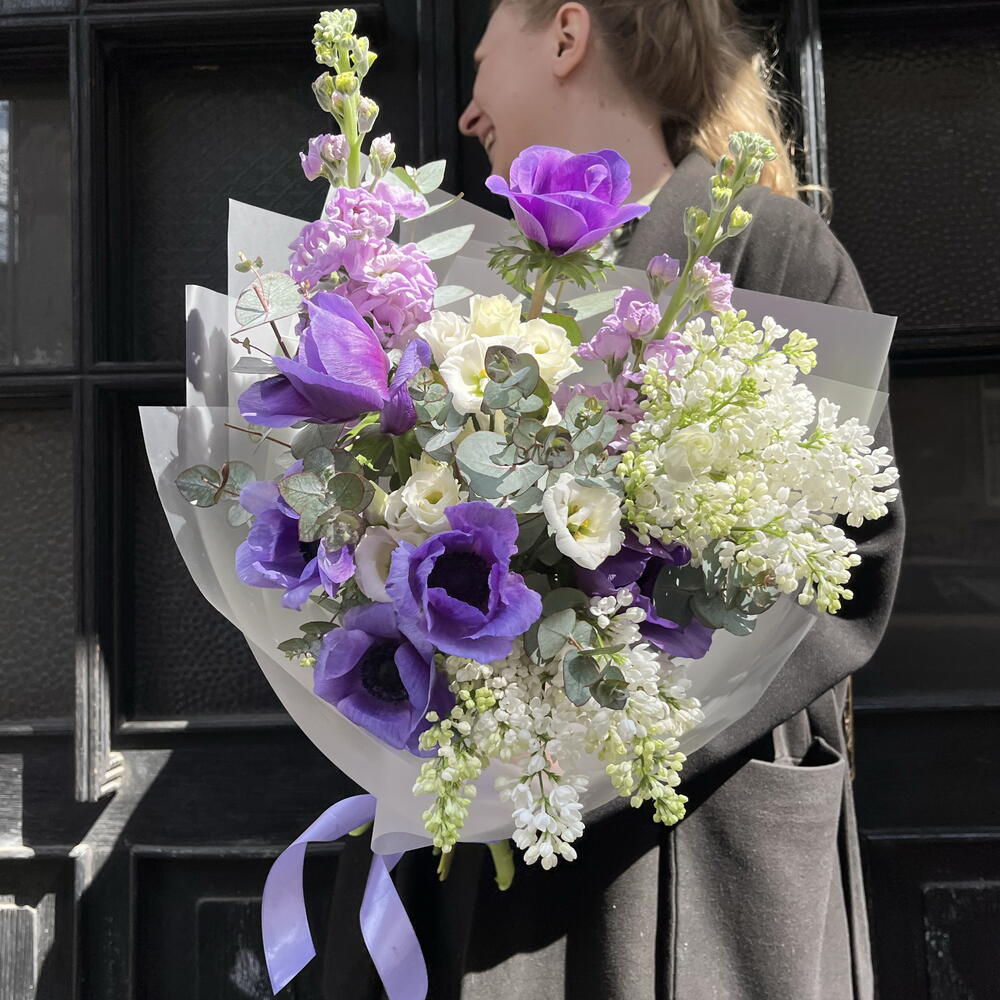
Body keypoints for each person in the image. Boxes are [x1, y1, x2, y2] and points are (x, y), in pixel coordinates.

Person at [323, 2, 904, 998]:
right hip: (491, 831)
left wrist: (610, 705)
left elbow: (854, 556)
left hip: (692, 846)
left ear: (565, 35)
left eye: (482, 61)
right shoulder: (459, 279)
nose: (467, 113)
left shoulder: (772, 250)